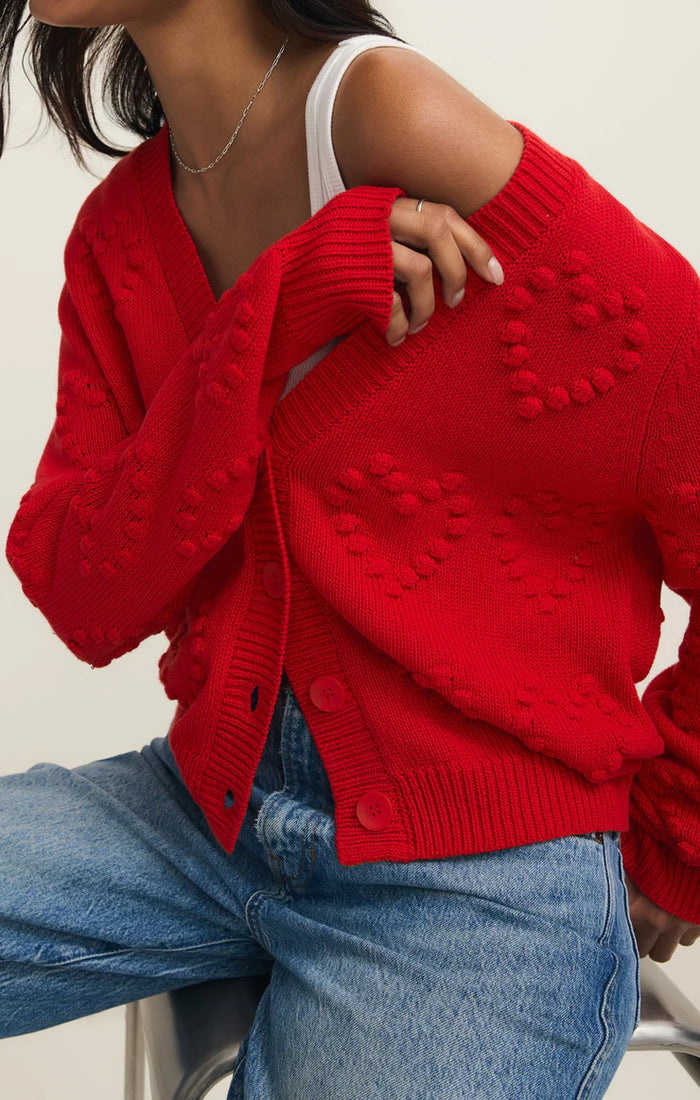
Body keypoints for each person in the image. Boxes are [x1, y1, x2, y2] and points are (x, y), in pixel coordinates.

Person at [2, 1, 699, 1096]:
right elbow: (80, 589)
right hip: (208, 815)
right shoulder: (119, 237)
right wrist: (274, 309)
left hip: (475, 883)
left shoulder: (393, 117)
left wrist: (680, 827)